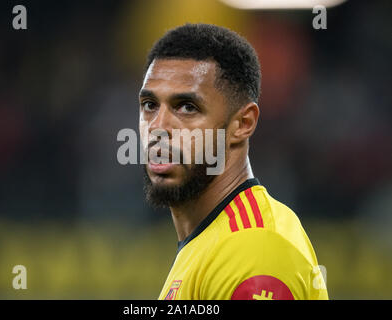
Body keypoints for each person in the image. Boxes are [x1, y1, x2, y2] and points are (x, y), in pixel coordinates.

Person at [139, 23, 328, 300]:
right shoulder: (213, 242)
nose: (158, 126)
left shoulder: (254, 248)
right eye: (150, 105)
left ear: (243, 123)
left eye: (187, 107)